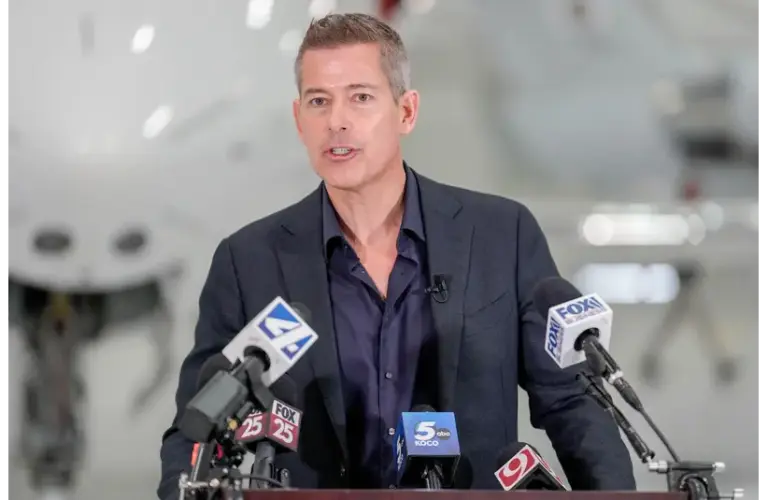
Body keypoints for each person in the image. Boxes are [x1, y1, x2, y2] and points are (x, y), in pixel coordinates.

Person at [157, 12, 635, 498]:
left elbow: (571, 404)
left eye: (360, 97)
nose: (337, 121)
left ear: (406, 112)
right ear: (299, 121)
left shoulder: (501, 235)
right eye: (319, 101)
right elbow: (195, 432)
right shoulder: (247, 262)